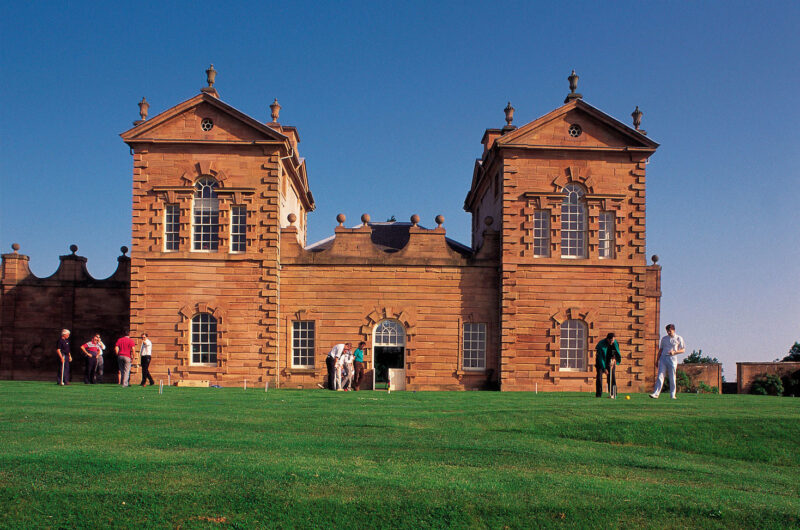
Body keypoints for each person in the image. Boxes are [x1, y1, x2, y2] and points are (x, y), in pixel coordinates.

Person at [650, 324, 686, 399]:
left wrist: (674, 352)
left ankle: (672, 394)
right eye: (667, 331)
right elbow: (661, 350)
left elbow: (683, 350)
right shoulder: (664, 339)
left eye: (670, 331)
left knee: (672, 377)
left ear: (673, 330)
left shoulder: (679, 338)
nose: (668, 332)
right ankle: (656, 394)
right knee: (660, 376)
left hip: (672, 359)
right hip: (663, 359)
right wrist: (657, 360)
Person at [595, 332, 621, 398]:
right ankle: (598, 394)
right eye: (611, 340)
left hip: (610, 361)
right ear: (607, 339)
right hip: (601, 361)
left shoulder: (615, 343)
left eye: (613, 340)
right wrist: (604, 369)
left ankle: (613, 394)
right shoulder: (601, 344)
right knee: (599, 377)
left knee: (612, 376)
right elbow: (600, 358)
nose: (612, 342)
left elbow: (615, 353)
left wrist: (613, 360)